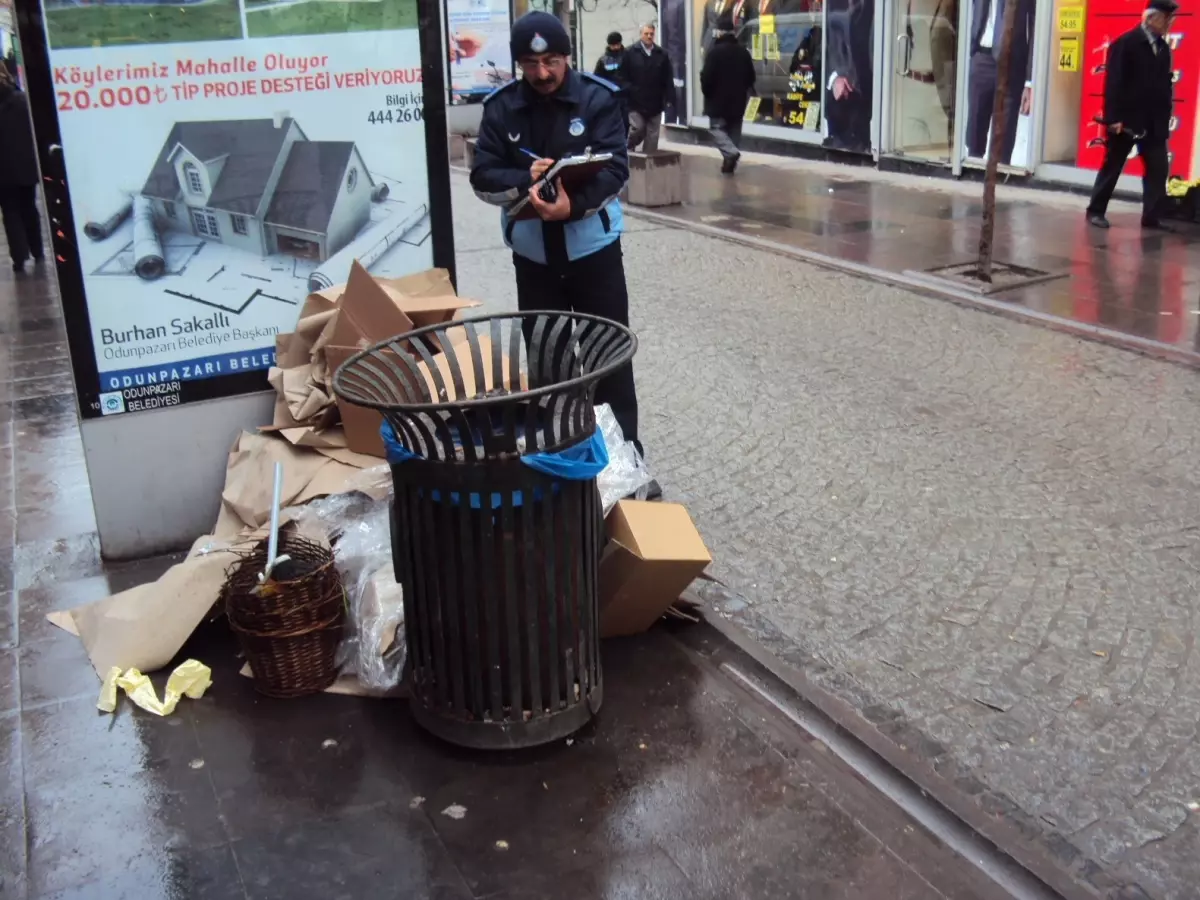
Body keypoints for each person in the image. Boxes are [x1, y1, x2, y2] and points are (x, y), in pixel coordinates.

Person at [470, 12, 656, 489]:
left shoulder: (598, 98)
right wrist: (521, 180)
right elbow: (482, 177)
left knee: (609, 357)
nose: (543, 73)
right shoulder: (502, 108)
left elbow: (616, 170)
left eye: (551, 60)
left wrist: (574, 207)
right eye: (530, 63)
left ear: (566, 56)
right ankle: (567, 461)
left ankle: (626, 465)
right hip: (534, 260)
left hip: (594, 252)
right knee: (550, 364)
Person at [1086, 0, 1178, 230]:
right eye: (1166, 18)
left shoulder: (1163, 48)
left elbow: (1164, 85)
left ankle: (1151, 217)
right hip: (1127, 119)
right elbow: (1114, 84)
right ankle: (1095, 211)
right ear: (1151, 18)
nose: (1169, 23)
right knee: (1113, 165)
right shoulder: (1126, 43)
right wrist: (1113, 119)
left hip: (1153, 120)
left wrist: (1166, 113)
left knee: (1158, 168)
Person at [965, 0, 1035, 165]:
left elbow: (1035, 29)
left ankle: (998, 184)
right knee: (974, 138)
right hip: (980, 58)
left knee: (1003, 144)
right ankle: (973, 185)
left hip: (1012, 64)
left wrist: (1029, 81)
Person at [0, 68, 42, 274]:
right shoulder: (22, 100)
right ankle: (37, 250)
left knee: (10, 212)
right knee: (28, 207)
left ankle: (19, 258)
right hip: (25, 165)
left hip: (2, 171)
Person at [701, 22, 756, 173]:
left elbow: (706, 78)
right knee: (733, 134)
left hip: (718, 102)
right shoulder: (743, 52)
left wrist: (707, 93)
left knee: (716, 130)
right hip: (738, 101)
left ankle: (731, 154)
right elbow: (751, 77)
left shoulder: (714, 53)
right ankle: (729, 164)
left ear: (720, 33)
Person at [823, 0, 874, 153]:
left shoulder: (874, 7)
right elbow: (828, 46)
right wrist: (835, 77)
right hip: (844, 98)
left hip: (872, 98)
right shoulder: (833, 7)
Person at [623, 22, 673, 151]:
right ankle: (628, 147)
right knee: (637, 128)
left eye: (651, 34)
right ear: (641, 35)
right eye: (646, 34)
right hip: (636, 101)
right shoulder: (630, 53)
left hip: (656, 101)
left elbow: (667, 77)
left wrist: (669, 98)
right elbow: (622, 76)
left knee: (653, 135)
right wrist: (630, 91)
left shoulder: (661, 54)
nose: (649, 36)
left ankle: (649, 163)